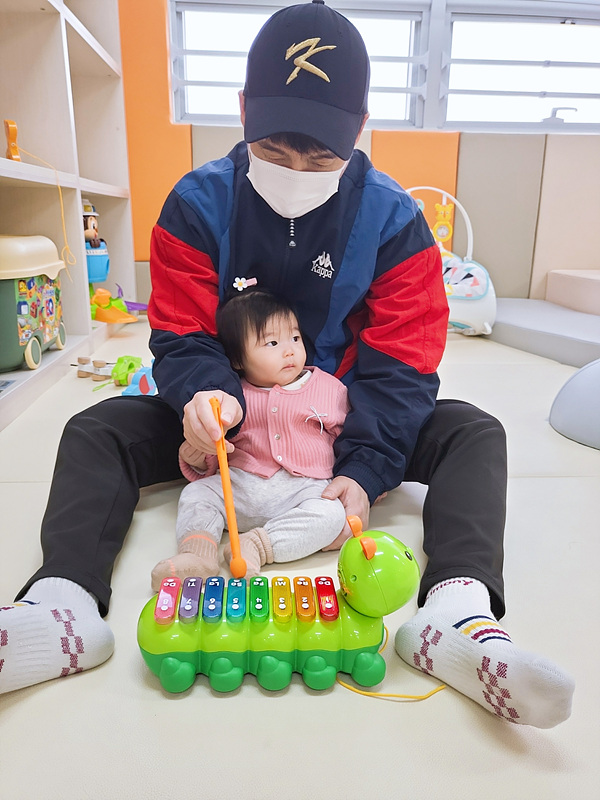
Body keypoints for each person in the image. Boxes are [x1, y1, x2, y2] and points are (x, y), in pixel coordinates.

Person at [0, 0, 574, 728]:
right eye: (274, 150)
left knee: (474, 433)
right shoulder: (196, 205)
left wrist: (364, 471)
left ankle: (454, 616)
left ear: (360, 130)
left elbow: (402, 365)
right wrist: (207, 400)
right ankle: (64, 608)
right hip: (228, 428)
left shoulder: (395, 222)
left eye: (322, 159)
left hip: (339, 421)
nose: (297, 171)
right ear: (243, 111)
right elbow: (180, 333)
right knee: (96, 429)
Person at [151, 288, 349, 588]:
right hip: (240, 488)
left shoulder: (329, 388)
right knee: (197, 494)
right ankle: (198, 554)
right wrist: (198, 456)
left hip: (302, 490)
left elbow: (349, 438)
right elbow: (219, 450)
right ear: (237, 359)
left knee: (332, 515)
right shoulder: (232, 395)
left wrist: (356, 472)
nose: (289, 351)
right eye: (272, 343)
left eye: (295, 338)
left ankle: (256, 546)